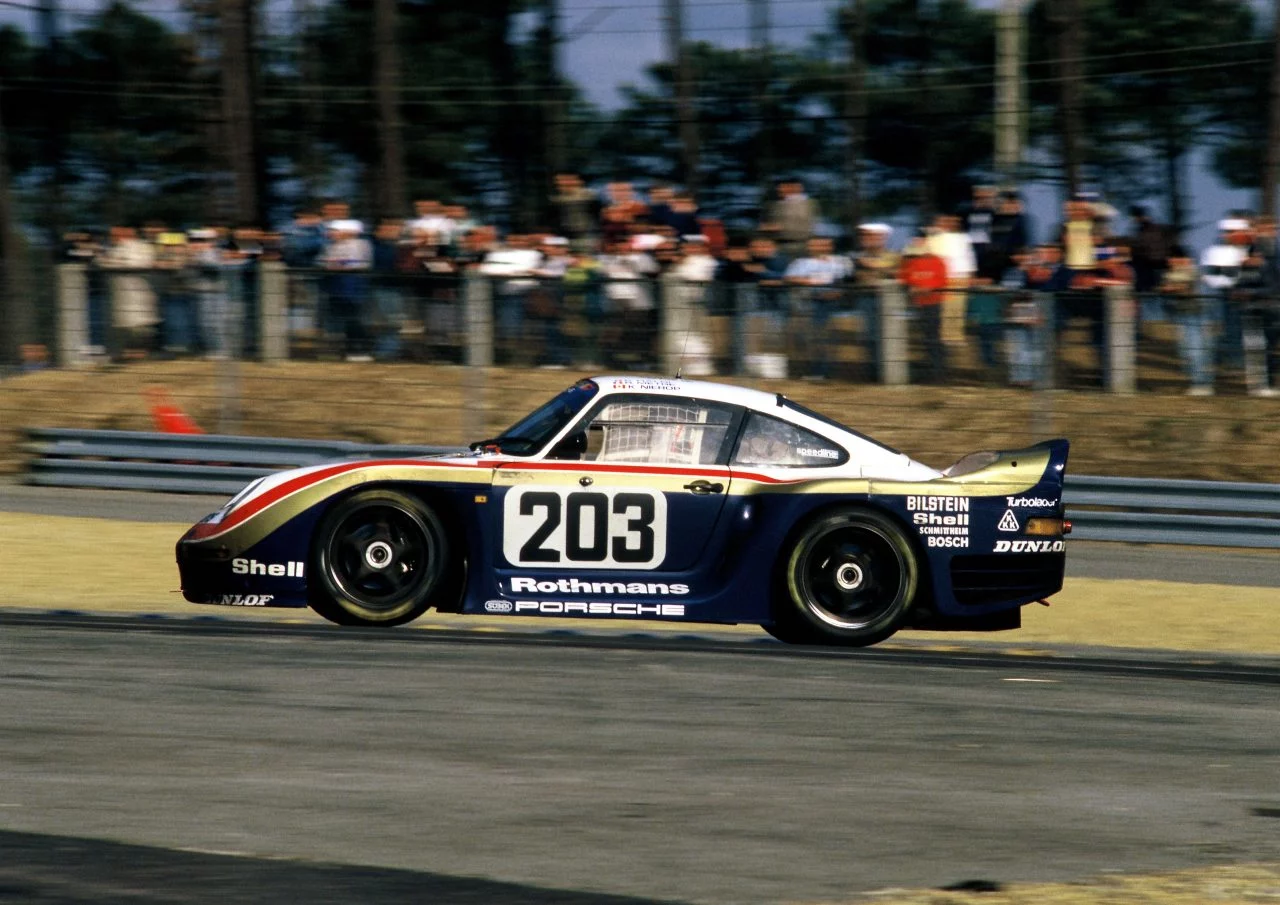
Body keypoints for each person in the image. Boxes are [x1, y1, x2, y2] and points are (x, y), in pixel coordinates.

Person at [783, 236, 852, 379]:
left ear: (830, 247)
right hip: (806, 305)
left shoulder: (839, 262)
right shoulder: (801, 263)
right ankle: (809, 370)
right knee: (805, 339)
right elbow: (789, 278)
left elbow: (845, 283)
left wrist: (835, 294)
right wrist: (810, 281)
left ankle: (822, 372)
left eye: (823, 245)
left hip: (830, 307)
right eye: (814, 245)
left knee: (825, 339)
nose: (819, 248)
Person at [899, 234, 949, 383]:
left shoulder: (937, 261)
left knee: (933, 337)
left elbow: (942, 281)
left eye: (921, 241)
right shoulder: (910, 261)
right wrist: (912, 287)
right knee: (923, 338)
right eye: (916, 241)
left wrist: (927, 288)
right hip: (918, 304)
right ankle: (929, 371)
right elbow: (904, 278)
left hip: (933, 303)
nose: (918, 243)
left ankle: (938, 372)